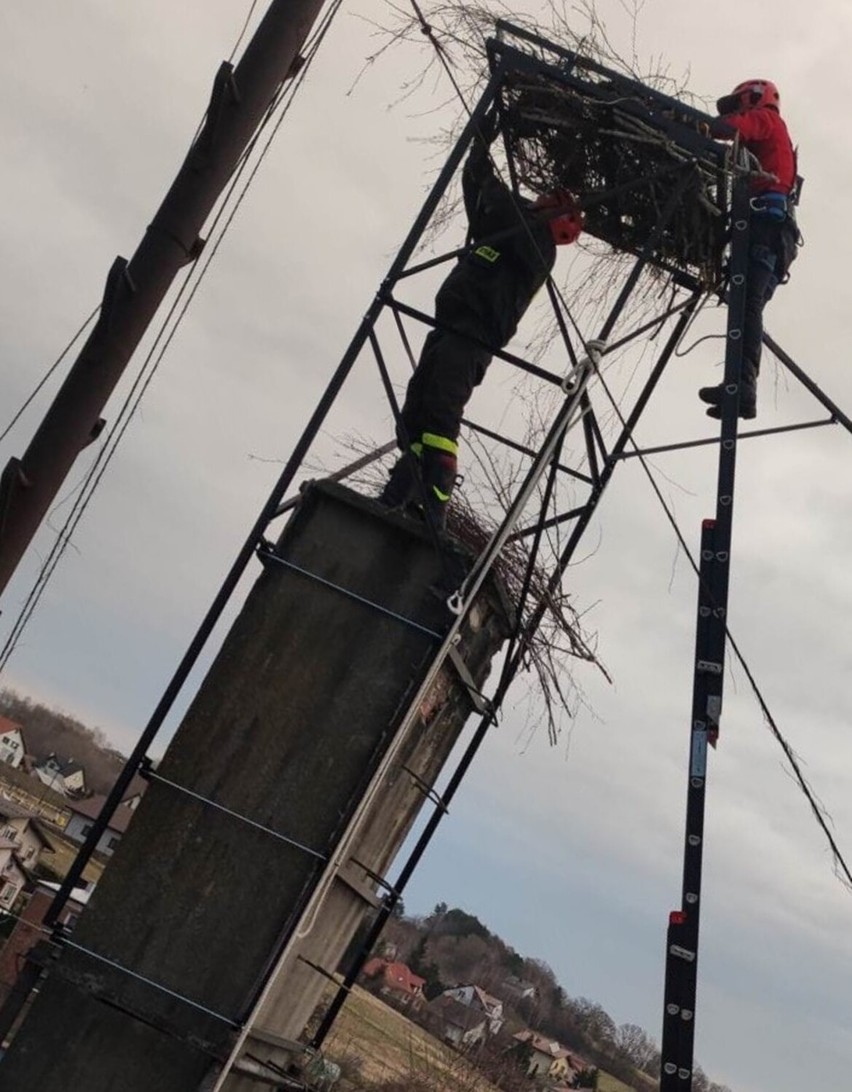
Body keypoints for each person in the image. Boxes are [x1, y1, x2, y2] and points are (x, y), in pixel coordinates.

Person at [378, 116, 584, 529]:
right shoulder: (511, 228)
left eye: (551, 200)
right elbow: (482, 201)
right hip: (450, 326)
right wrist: (477, 154)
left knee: (441, 409)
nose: (540, 197)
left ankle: (436, 495)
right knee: (416, 411)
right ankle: (405, 485)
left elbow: (500, 204)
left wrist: (486, 167)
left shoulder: (537, 244)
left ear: (560, 220)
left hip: (472, 334)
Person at [699, 79, 800, 420]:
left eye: (740, 104)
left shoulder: (767, 120)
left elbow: (735, 128)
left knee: (748, 307)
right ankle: (738, 386)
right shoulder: (776, 139)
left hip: (766, 231)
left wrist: (700, 127)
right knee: (745, 307)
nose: (739, 110)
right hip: (776, 238)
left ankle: (742, 388)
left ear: (755, 98)